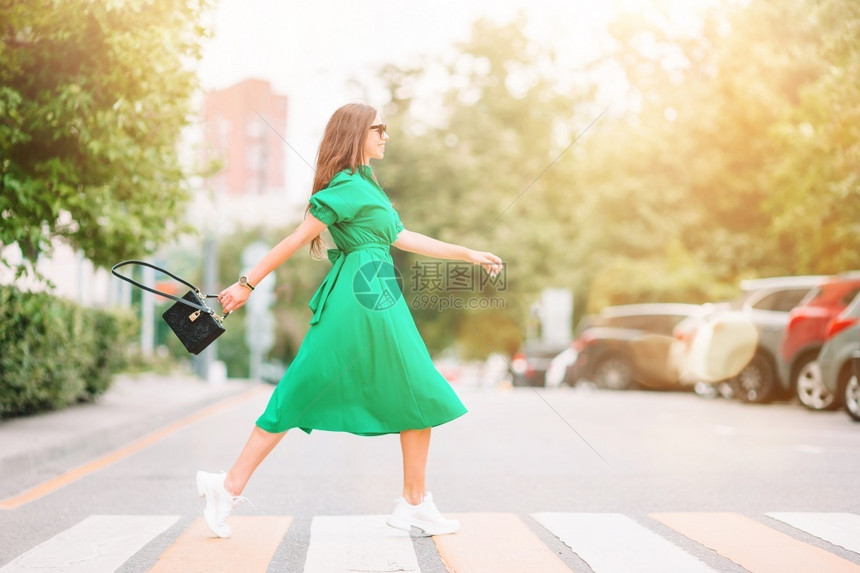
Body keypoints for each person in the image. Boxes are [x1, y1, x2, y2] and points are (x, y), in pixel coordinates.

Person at [196, 102, 503, 539]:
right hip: (359, 299)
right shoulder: (343, 186)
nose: (386, 135)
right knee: (305, 386)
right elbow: (296, 239)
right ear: (357, 132)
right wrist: (247, 283)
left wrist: (467, 253)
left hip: (377, 293)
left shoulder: (366, 185)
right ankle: (226, 488)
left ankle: (414, 502)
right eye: (379, 128)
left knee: (416, 388)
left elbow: (402, 237)